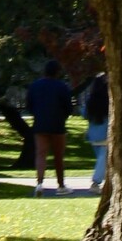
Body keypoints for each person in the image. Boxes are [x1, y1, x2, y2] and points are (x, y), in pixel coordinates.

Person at [25, 58, 73, 194]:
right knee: (58, 156)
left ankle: (39, 183)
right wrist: (63, 116)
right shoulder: (62, 86)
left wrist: (37, 114)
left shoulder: (34, 86)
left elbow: (29, 105)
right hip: (57, 124)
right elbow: (68, 107)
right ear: (57, 72)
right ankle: (61, 185)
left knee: (41, 154)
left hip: (40, 124)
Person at [83, 70, 110, 192]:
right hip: (105, 133)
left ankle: (104, 183)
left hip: (93, 134)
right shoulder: (109, 100)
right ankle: (95, 183)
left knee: (102, 159)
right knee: (103, 160)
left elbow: (85, 114)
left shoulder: (91, 100)